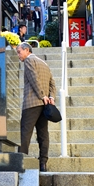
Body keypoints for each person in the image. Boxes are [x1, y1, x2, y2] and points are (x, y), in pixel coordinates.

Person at [16, 41, 56, 172]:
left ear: (27, 50)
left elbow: (33, 78)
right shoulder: (44, 63)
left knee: (25, 132)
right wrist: (51, 97)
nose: (18, 55)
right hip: (44, 105)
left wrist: (42, 95)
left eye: (19, 52)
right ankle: (43, 163)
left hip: (32, 103)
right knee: (43, 134)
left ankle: (20, 162)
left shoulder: (29, 61)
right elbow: (52, 83)